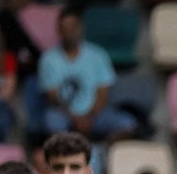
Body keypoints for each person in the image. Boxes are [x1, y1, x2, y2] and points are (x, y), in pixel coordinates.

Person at [38, 8, 138, 141]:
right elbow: (52, 97)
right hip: (64, 114)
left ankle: (103, 153)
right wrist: (75, 118)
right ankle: (66, 155)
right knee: (52, 122)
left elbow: (103, 93)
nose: (69, 32)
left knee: (127, 124)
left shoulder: (98, 55)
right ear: (59, 31)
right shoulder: (48, 58)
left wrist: (88, 117)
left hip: (96, 114)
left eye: (72, 27)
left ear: (80, 28)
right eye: (65, 28)